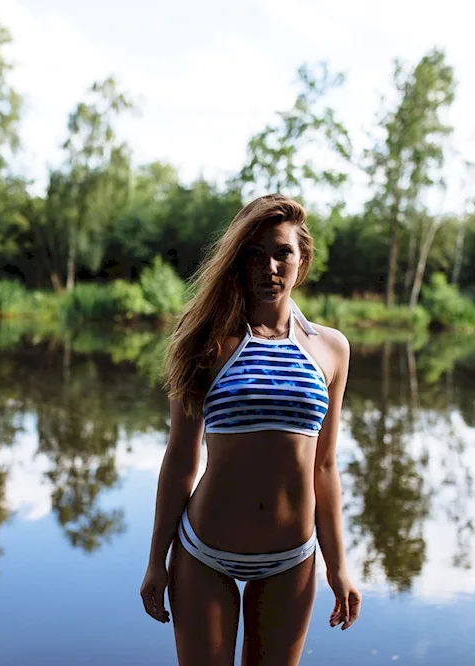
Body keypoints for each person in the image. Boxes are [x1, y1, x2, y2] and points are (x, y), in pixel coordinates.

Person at [140, 194, 361, 666]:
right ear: (237, 262)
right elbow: (181, 457)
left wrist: (339, 566)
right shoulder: (205, 340)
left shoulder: (331, 349)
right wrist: (155, 560)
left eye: (282, 252)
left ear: (301, 261)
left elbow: (324, 465)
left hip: (292, 559)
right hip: (204, 554)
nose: (269, 267)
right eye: (254, 254)